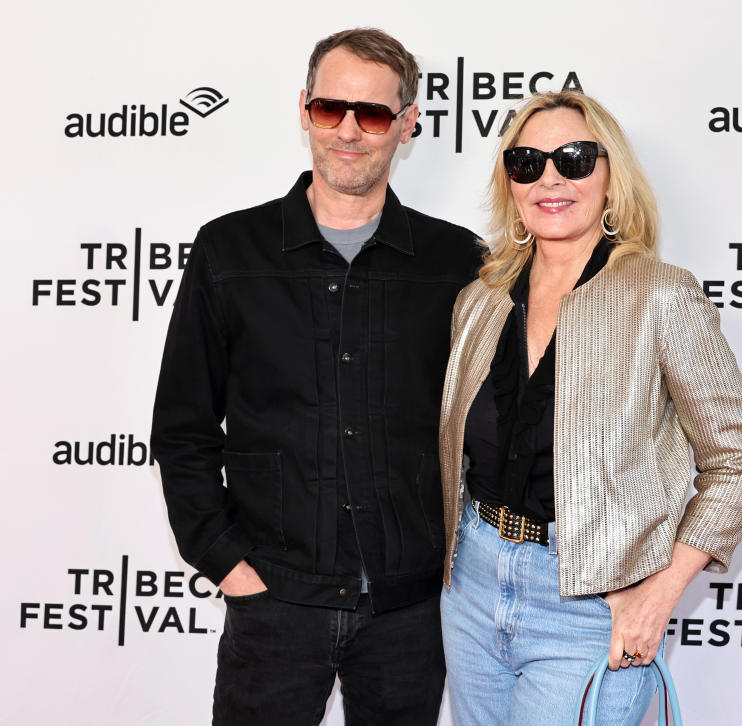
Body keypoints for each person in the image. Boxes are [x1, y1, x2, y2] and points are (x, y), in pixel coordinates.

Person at [151, 28, 481, 726]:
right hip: (273, 601)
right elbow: (182, 429)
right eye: (332, 109)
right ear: (304, 109)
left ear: (408, 124)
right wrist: (228, 566)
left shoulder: (457, 262)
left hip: (410, 612)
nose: (351, 133)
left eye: (375, 114)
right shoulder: (229, 249)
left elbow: (486, 429)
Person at [438, 91, 742, 725]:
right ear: (510, 182)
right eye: (527, 162)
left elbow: (740, 460)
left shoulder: (662, 297)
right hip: (473, 591)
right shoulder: (479, 301)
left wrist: (660, 594)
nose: (550, 178)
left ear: (611, 174)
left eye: (575, 158)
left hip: (591, 607)